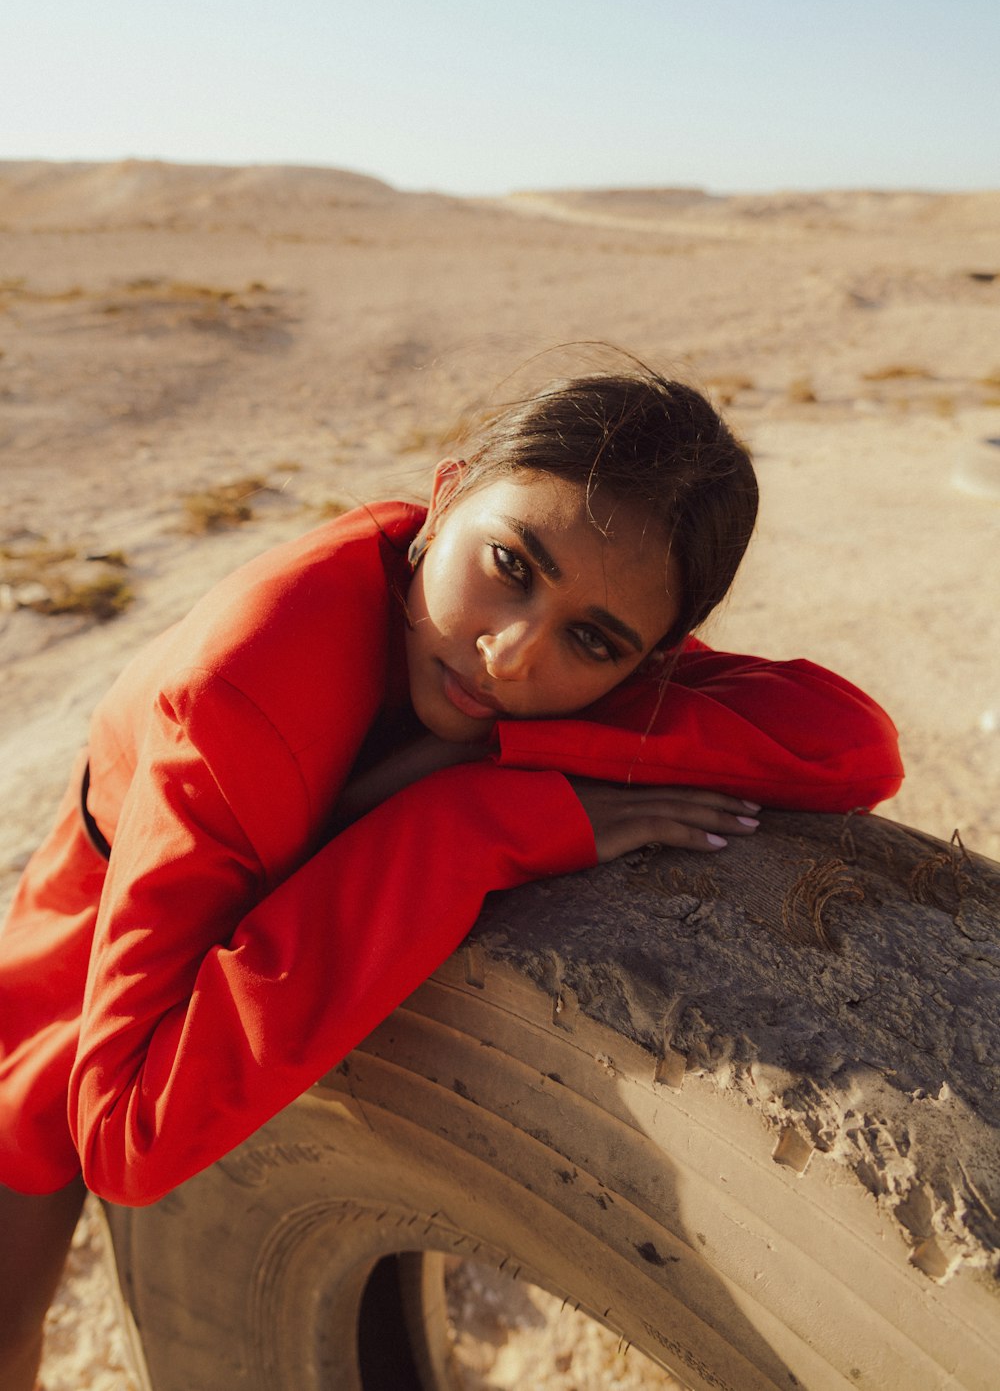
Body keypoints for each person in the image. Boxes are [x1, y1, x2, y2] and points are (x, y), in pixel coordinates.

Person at [0, 363, 903, 1388]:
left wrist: (482, 756)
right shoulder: (237, 691)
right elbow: (127, 1132)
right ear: (444, 494)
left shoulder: (548, 666)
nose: (510, 658)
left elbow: (853, 748)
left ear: (650, 665)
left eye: (593, 637)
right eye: (511, 563)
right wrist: (464, 820)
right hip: (97, 912)